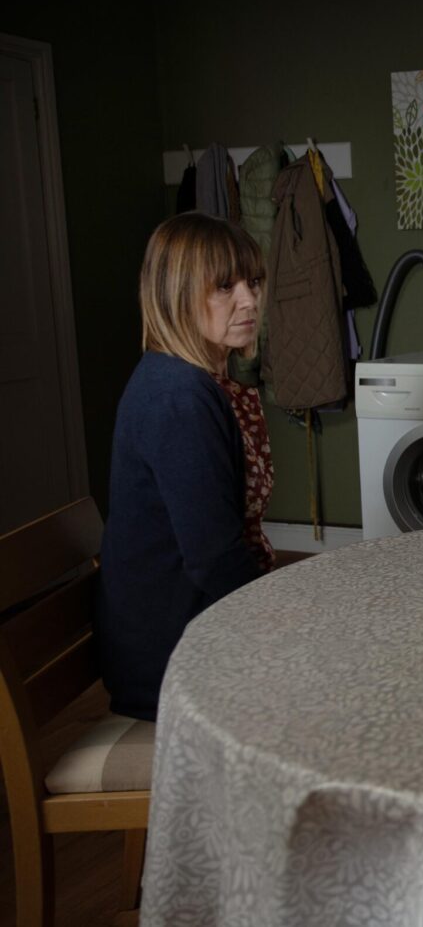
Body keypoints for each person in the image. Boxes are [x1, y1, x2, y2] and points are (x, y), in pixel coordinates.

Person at [98, 213, 275, 721]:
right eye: (225, 286)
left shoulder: (182, 379)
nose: (249, 300)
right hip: (171, 661)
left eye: (253, 281)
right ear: (178, 295)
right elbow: (215, 558)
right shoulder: (180, 396)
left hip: (177, 632)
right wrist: (280, 629)